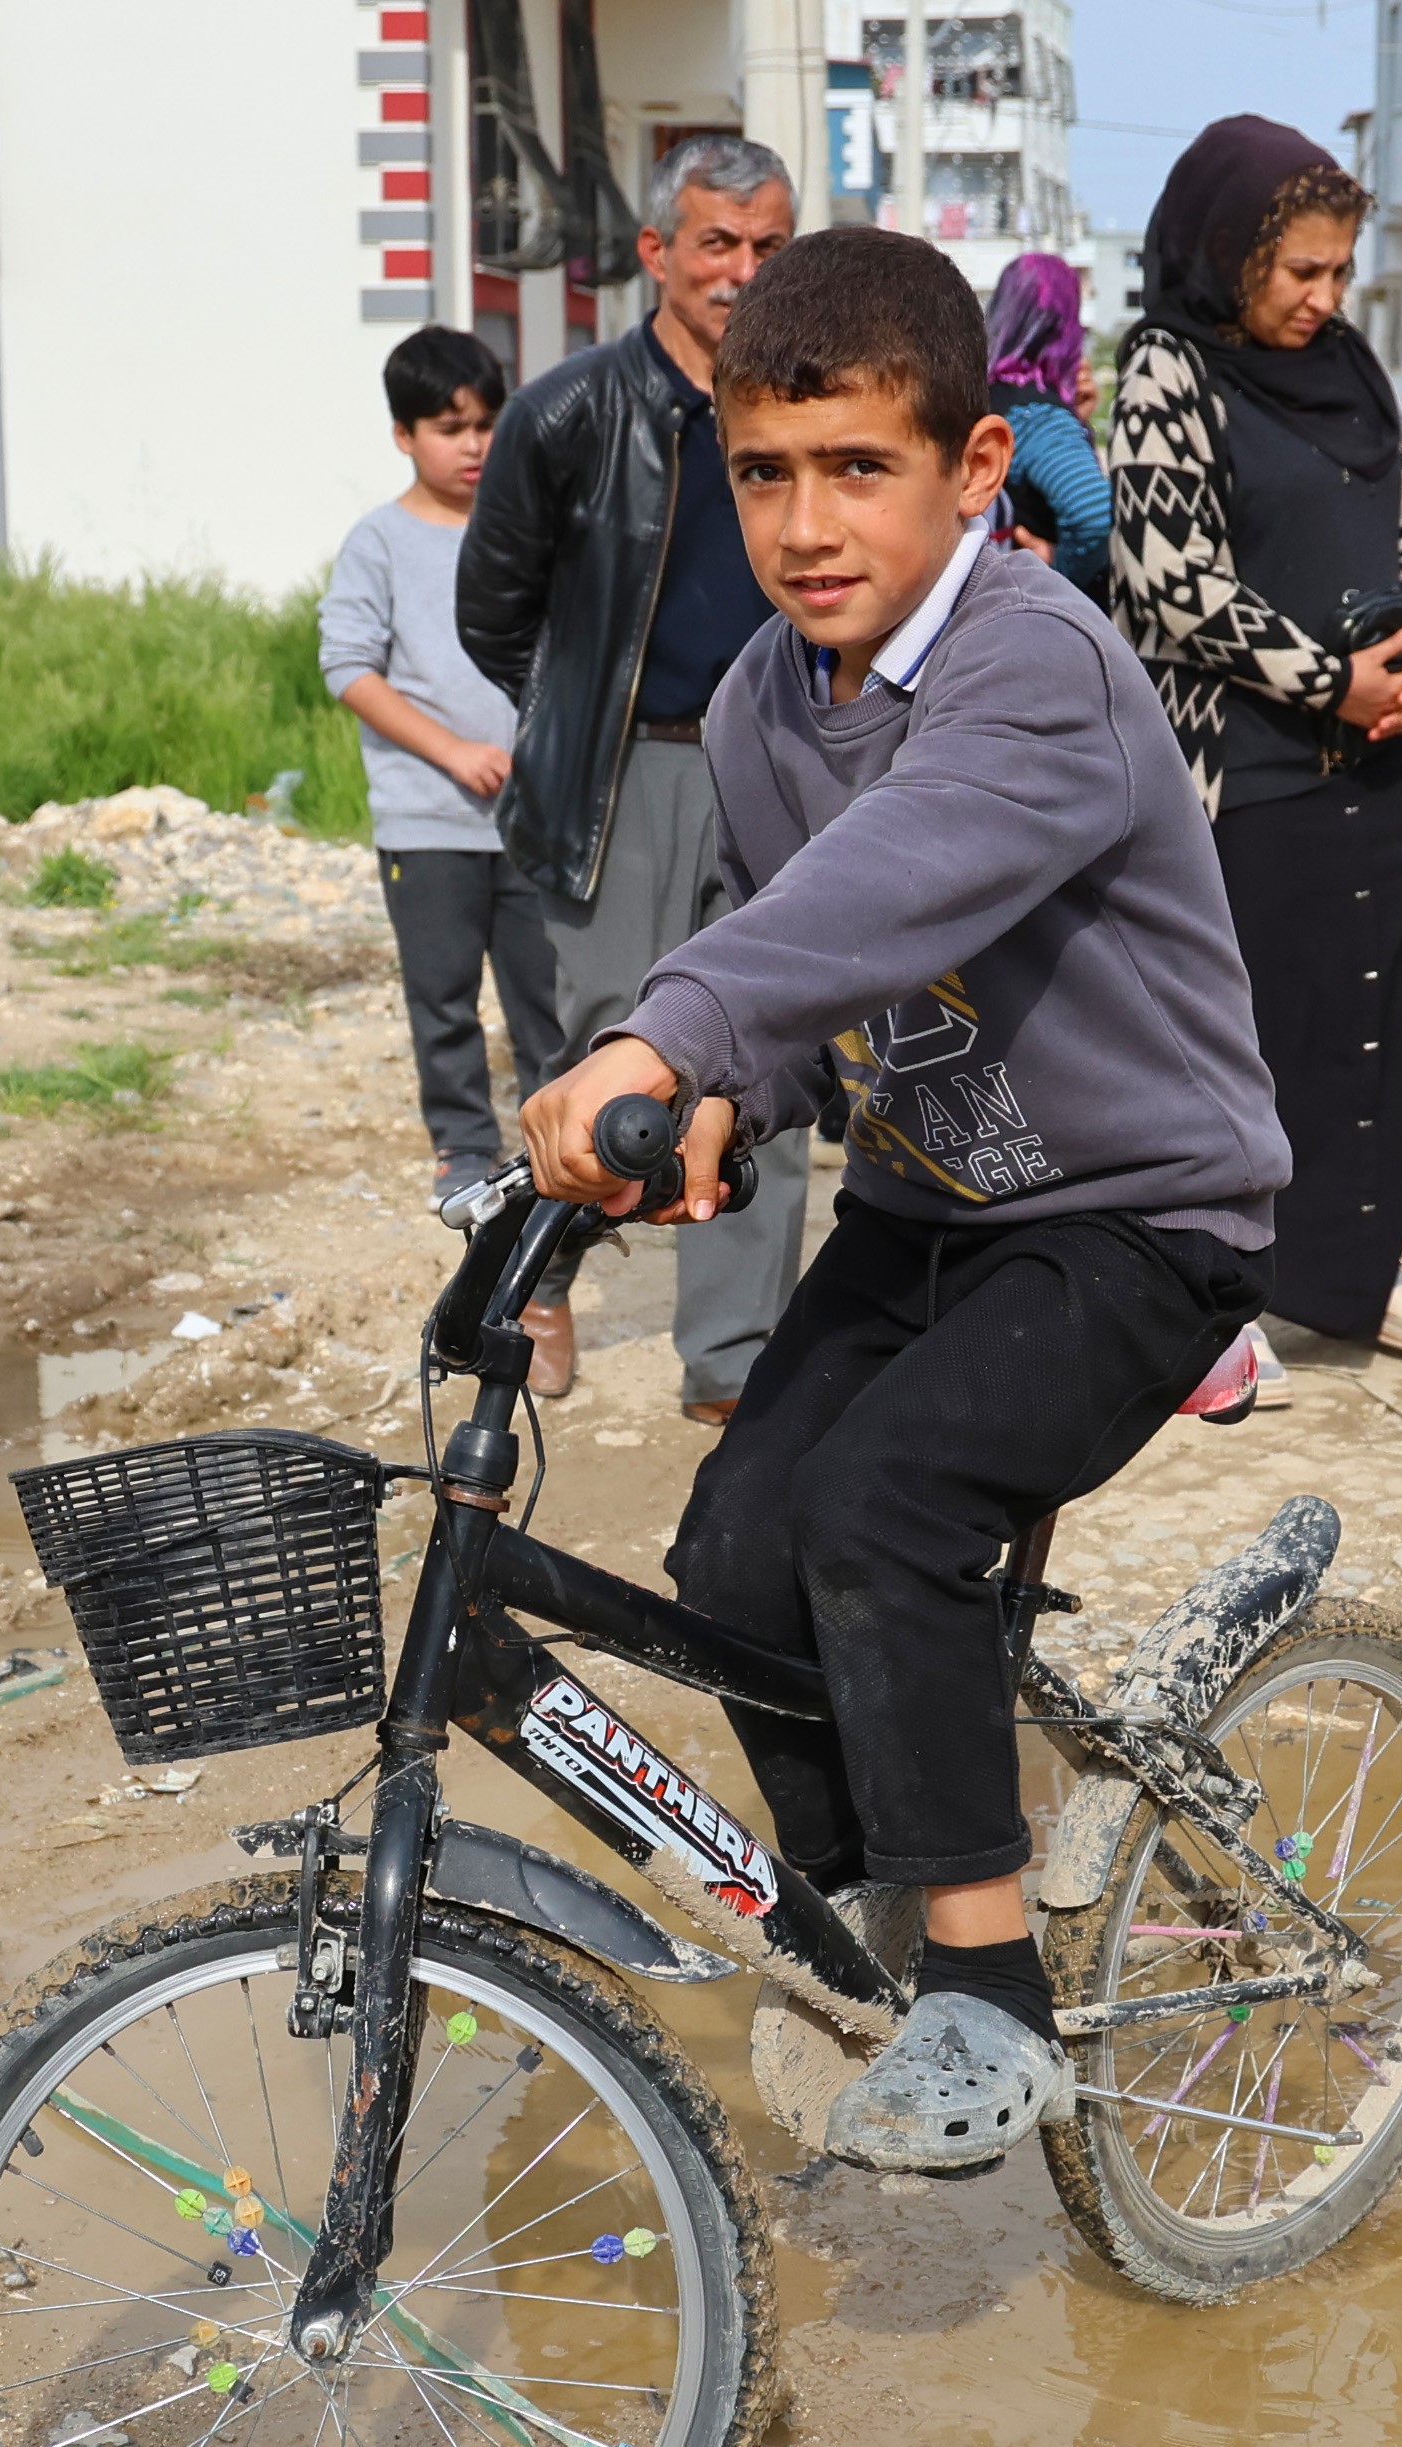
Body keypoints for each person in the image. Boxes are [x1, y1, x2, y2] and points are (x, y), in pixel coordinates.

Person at [520, 223, 1289, 2171]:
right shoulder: (775, 698)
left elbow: (901, 877)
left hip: (1137, 1215)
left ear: (975, 470)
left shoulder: (1040, 664)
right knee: (733, 1562)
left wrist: (667, 1028)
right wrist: (722, 1096)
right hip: (932, 1211)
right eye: (765, 471)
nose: (805, 521)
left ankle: (990, 1993)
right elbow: (790, 954)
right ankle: (866, 1906)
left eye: (858, 467)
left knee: (886, 1509)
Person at [455, 134, 820, 1424]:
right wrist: (578, 724)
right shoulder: (569, 412)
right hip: (624, 783)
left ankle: (732, 1357)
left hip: (774, 770)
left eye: (770, 245)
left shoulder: (802, 409)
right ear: (660, 252)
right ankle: (538, 1289)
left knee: (759, 1047)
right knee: (594, 1050)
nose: (743, 272)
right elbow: (494, 613)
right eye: (718, 243)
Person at [1106, 113, 1402, 1370]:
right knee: (1267, 1032)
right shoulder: (1167, 369)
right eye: (1298, 271)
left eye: (1338, 271)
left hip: (1379, 755)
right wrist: (1330, 681)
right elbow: (1165, 576)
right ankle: (1230, 1288)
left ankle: (1353, 1262)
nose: (1323, 297)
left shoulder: (1354, 368)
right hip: (1244, 770)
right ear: (1227, 252)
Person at [322, 329, 563, 1232]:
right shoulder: (378, 543)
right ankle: (463, 1145)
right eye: (448, 426)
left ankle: (554, 1148)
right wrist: (453, 753)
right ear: (403, 435)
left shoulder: (527, 530)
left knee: (548, 1000)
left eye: (486, 424)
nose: (472, 446)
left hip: (534, 821)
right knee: (445, 998)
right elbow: (350, 668)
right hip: (428, 822)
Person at [985, 249, 1111, 596]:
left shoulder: (982, 399)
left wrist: (1076, 421)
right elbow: (1092, 512)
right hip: (1044, 621)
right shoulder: (1038, 417)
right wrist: (1059, 576)